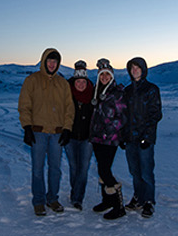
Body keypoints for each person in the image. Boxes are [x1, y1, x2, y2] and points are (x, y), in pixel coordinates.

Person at [18, 48, 74, 216]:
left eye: (55, 61)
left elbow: (69, 109)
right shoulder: (32, 80)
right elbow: (24, 105)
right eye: (49, 61)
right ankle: (39, 201)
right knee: (37, 168)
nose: (52, 64)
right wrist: (27, 127)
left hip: (57, 133)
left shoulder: (62, 83)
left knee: (55, 168)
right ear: (43, 61)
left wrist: (67, 129)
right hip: (38, 132)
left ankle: (52, 198)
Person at [121, 57, 163, 218]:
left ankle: (149, 201)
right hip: (130, 138)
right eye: (132, 68)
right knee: (135, 171)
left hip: (145, 139)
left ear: (143, 70)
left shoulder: (151, 89)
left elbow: (155, 114)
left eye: (137, 67)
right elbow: (124, 115)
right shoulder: (127, 90)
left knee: (146, 172)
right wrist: (123, 136)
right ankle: (138, 198)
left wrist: (147, 136)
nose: (135, 70)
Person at [87, 59, 128, 219]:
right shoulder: (97, 91)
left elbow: (122, 117)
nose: (104, 77)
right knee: (101, 169)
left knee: (105, 170)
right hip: (97, 138)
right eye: (102, 74)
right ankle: (107, 201)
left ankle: (118, 206)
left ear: (112, 76)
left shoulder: (117, 93)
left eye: (107, 74)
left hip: (110, 139)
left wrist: (110, 129)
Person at [65, 60, 94, 210]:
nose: (81, 85)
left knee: (83, 168)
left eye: (83, 81)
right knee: (73, 167)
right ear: (74, 81)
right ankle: (74, 192)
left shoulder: (93, 94)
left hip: (87, 138)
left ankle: (77, 198)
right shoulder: (67, 93)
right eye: (78, 82)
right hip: (70, 137)